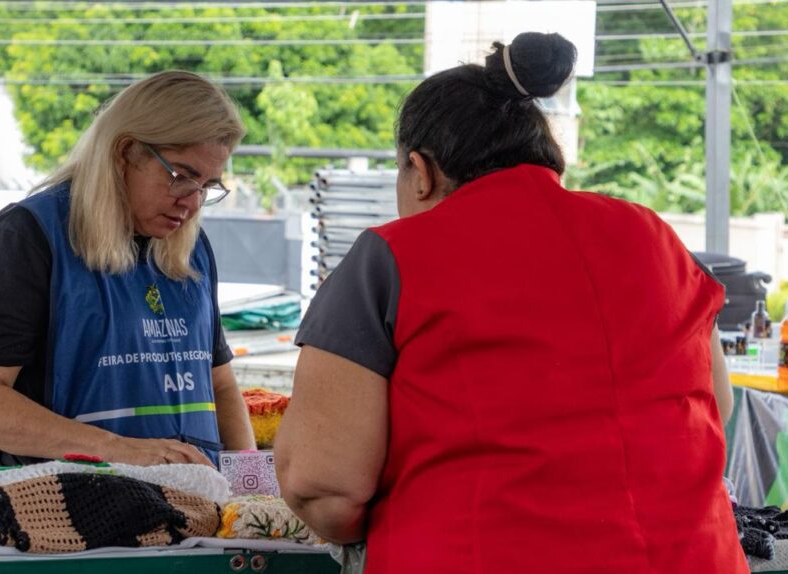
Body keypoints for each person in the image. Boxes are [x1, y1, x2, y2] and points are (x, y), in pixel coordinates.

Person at [275, 33, 744, 573]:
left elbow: (324, 489)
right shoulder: (656, 237)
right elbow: (715, 406)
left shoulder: (392, 256)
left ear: (420, 171)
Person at [0, 71, 255, 468]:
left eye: (208, 186)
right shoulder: (24, 239)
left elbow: (220, 385)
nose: (192, 204)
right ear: (124, 152)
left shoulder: (192, 248)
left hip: (193, 512)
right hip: (51, 513)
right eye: (181, 177)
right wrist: (120, 450)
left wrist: (249, 480)